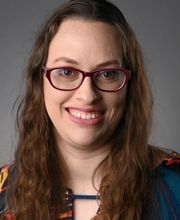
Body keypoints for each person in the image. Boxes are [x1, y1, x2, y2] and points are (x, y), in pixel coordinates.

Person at [0, 0, 179, 219]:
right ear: (40, 80)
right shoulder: (4, 190)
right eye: (66, 72)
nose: (87, 95)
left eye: (107, 74)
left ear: (130, 85)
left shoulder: (175, 186)